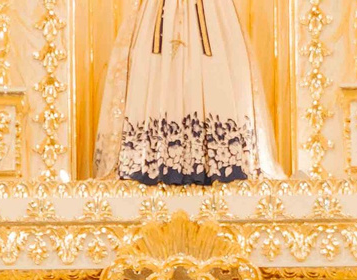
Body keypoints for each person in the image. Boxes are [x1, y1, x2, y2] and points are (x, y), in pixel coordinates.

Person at [94, 0, 276, 185]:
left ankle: (211, 159)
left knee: (214, 73)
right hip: (160, 12)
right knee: (156, 71)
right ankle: (154, 158)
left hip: (210, 12)